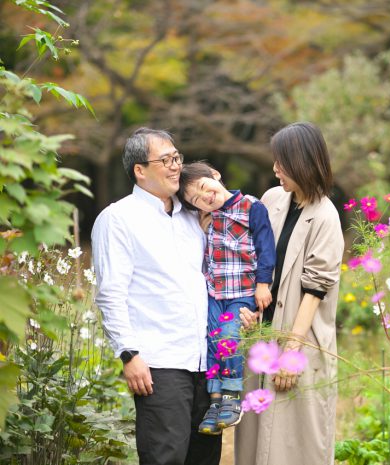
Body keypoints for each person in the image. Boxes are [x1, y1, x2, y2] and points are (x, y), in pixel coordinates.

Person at [91, 128, 221, 465]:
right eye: (166, 160)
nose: (176, 166)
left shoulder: (194, 217)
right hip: (159, 365)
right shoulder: (118, 219)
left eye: (177, 157)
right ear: (140, 170)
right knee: (166, 458)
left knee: (204, 458)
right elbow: (111, 294)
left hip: (205, 364)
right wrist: (129, 353)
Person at [235, 122, 344, 465]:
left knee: (296, 445)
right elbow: (253, 262)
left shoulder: (326, 217)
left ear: (301, 162)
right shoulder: (271, 199)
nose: (275, 169)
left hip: (300, 340)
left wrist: (291, 354)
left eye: (281, 162)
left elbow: (315, 290)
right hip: (263, 337)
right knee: (255, 440)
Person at [177, 161, 275, 435]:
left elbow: (266, 247)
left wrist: (263, 284)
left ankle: (232, 395)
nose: (206, 198)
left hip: (242, 292)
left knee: (229, 337)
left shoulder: (251, 207)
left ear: (216, 175)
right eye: (197, 200)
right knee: (211, 343)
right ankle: (215, 400)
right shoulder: (207, 219)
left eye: (204, 188)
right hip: (214, 294)